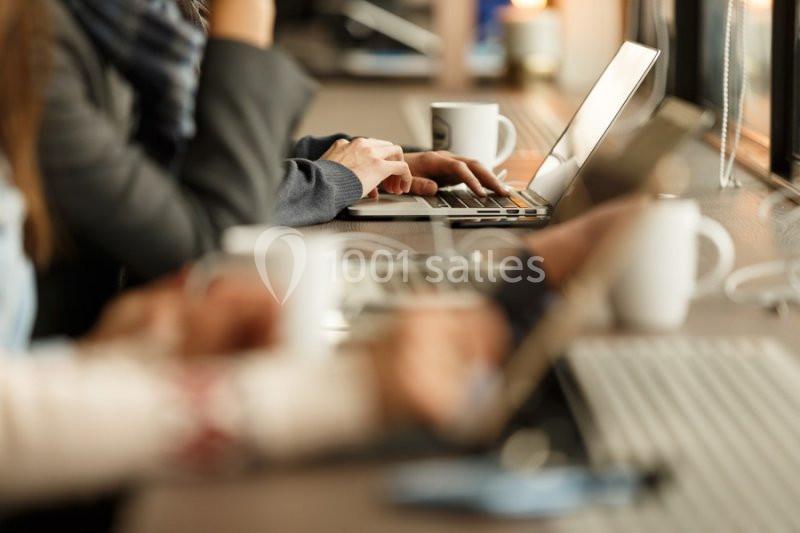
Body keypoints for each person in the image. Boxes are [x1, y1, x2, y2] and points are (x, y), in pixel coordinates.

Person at [36, 0, 508, 338]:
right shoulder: (43, 40)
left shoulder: (130, 21)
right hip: (61, 360)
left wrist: (372, 157)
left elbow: (194, 152)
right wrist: (246, 18)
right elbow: (206, 231)